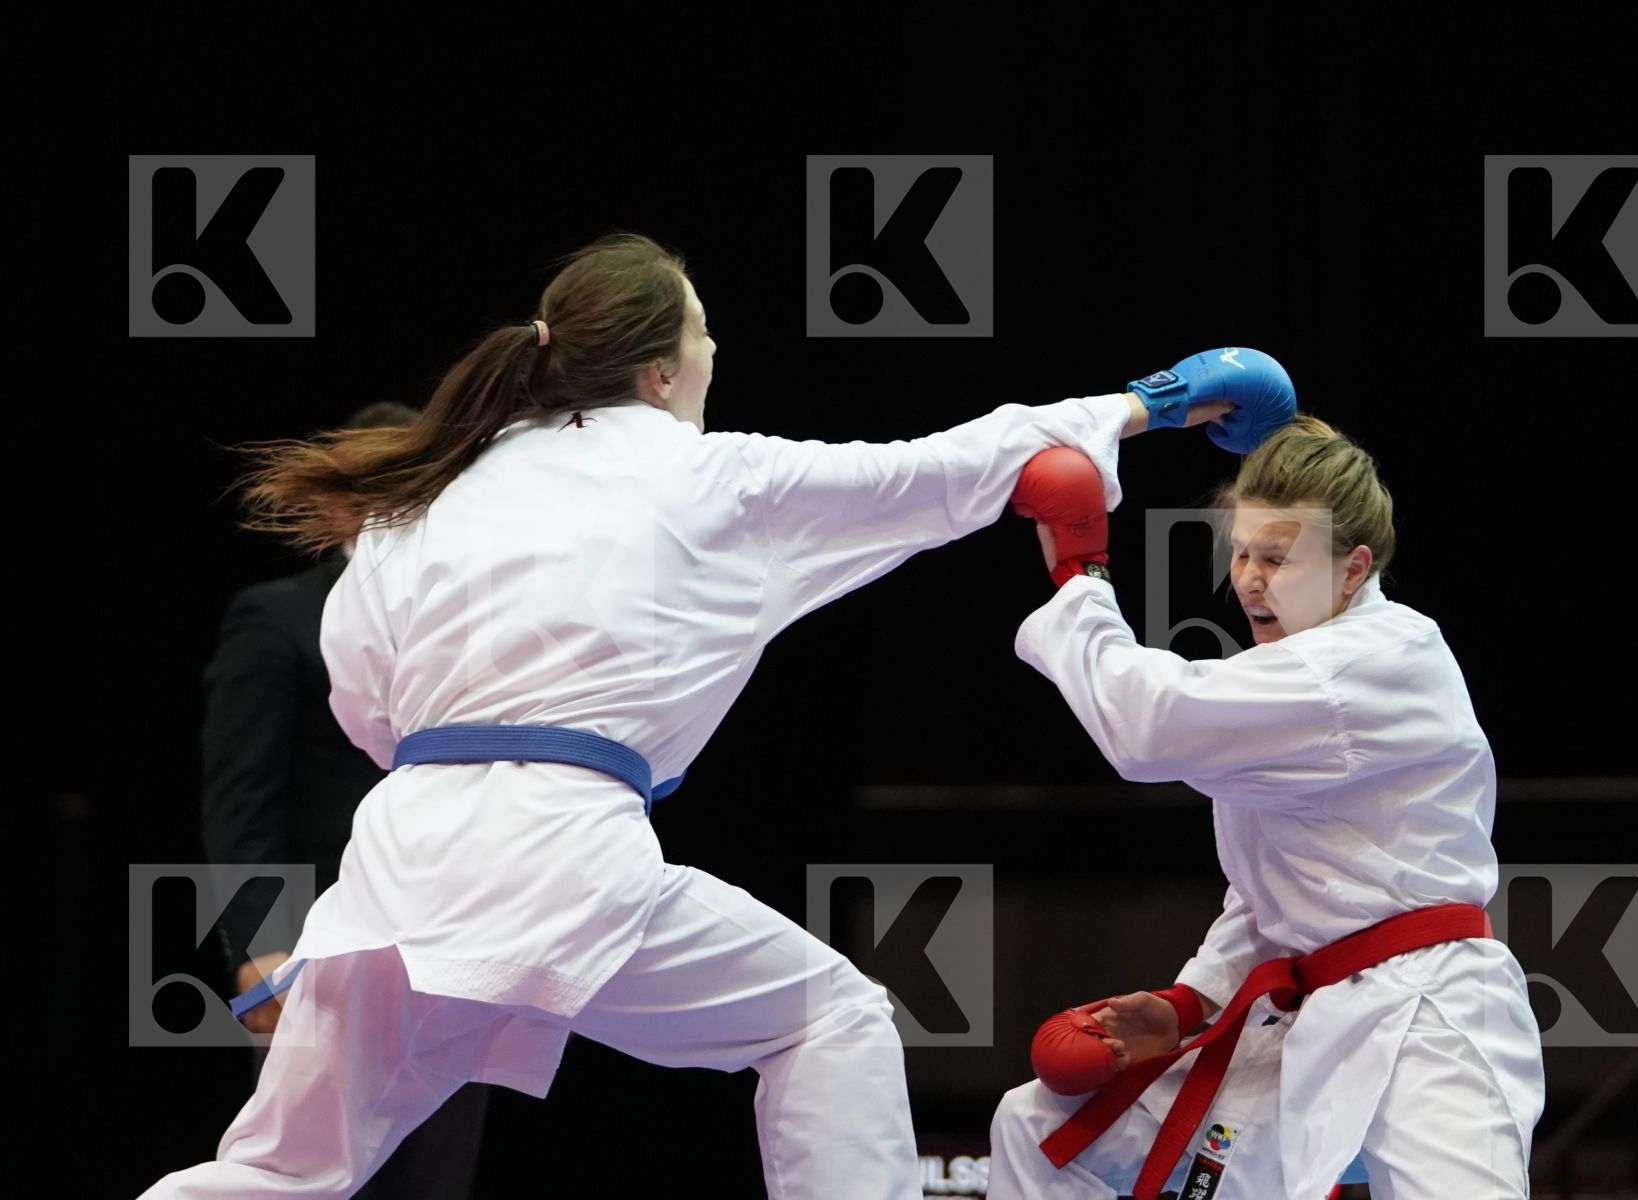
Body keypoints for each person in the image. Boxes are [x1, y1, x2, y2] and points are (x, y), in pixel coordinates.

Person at [136, 231, 1262, 1200]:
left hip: (398, 856)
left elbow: (360, 699)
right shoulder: (708, 475)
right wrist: (1154, 401)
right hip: (559, 844)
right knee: (832, 1022)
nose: (716, 351)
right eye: (704, 331)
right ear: (661, 370)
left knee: (279, 1173)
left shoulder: (424, 497)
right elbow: (947, 469)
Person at [987, 412, 1545, 1199]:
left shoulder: (1369, 662)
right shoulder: (1291, 681)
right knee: (1043, 1129)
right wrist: (1190, 1003)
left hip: (1429, 1018)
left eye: (1277, 558)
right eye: (1241, 552)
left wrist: (1081, 576)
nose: (1249, 577)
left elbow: (1148, 725)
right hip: (1302, 1020)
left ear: (1354, 569)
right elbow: (1271, 895)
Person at [199, 399, 492, 1199]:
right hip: (320, 949)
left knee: (435, 1176)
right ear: (336, 504)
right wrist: (260, 947)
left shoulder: (472, 628)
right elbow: (242, 800)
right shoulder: (280, 618)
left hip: (446, 943)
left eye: (420, 493)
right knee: (310, 1179)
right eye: (379, 494)